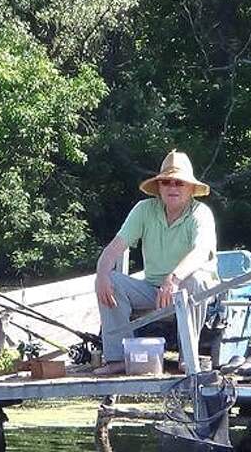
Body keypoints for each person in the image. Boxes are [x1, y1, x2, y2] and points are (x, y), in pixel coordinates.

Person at [93, 149, 219, 375]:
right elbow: (113, 248)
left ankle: (187, 356)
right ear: (159, 187)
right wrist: (101, 274)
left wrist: (174, 279)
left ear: (191, 188)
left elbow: (201, 252)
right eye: (166, 182)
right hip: (153, 290)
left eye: (179, 183)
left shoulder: (201, 213)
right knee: (109, 279)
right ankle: (117, 359)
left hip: (188, 291)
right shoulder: (143, 210)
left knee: (198, 281)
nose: (172, 187)